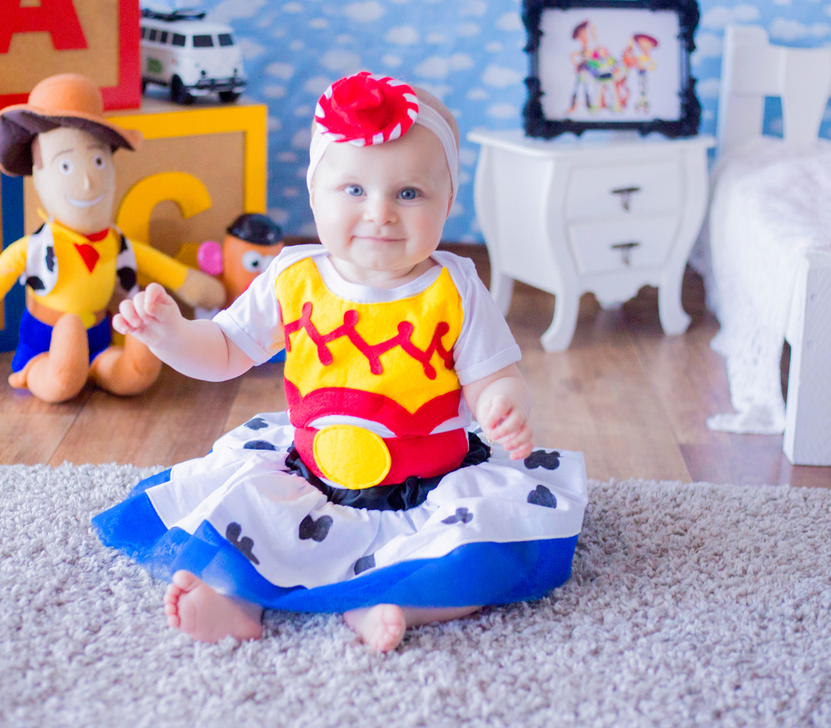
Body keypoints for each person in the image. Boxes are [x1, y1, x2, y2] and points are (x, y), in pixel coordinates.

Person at [94, 72, 588, 652]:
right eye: (354, 190)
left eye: (409, 194)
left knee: (480, 552)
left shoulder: (454, 287)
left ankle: (398, 603)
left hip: (428, 484)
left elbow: (493, 374)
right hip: (312, 477)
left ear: (447, 202)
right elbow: (225, 351)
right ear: (314, 193)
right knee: (247, 518)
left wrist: (503, 404)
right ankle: (233, 601)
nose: (380, 213)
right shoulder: (293, 278)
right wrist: (171, 335)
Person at [0, 73, 224, 402]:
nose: (88, 182)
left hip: (99, 340)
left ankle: (126, 368)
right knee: (57, 372)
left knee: (130, 369)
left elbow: (160, 266)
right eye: (67, 166)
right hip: (42, 344)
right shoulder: (35, 247)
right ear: (39, 173)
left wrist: (193, 286)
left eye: (98, 161)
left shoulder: (116, 243)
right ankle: (53, 374)